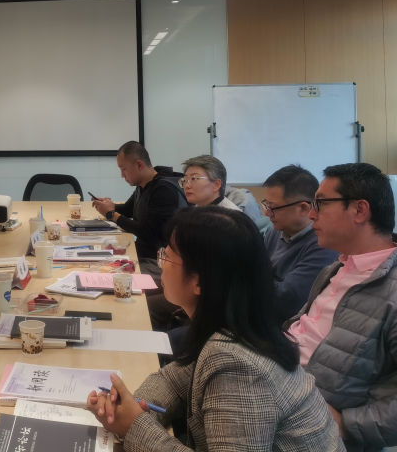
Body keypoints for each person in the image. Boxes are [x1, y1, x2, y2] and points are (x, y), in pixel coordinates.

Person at [86, 206, 342, 451]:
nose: (160, 263)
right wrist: (135, 408)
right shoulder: (231, 324)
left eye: (167, 256)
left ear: (198, 281)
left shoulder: (237, 364)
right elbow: (171, 380)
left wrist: (134, 426)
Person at [287, 163, 397, 451]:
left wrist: (346, 425)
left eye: (321, 203)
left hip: (309, 426)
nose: (312, 214)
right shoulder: (338, 267)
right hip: (283, 387)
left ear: (359, 210)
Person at [91, 141, 187, 273]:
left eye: (123, 169)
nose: (122, 175)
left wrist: (110, 214)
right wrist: (110, 206)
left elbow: (145, 231)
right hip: (143, 253)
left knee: (107, 272)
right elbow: (128, 210)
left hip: (158, 261)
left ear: (139, 165)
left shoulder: (163, 190)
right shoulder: (145, 184)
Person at [261, 165, 338, 323]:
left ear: (303, 208)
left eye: (273, 207)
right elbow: (254, 270)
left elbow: (285, 300)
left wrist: (256, 280)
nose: (267, 213)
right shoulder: (276, 230)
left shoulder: (323, 244)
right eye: (266, 204)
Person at [178, 155, 243, 211]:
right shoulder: (196, 210)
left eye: (194, 179)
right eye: (185, 180)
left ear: (216, 185)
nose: (186, 186)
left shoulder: (230, 217)